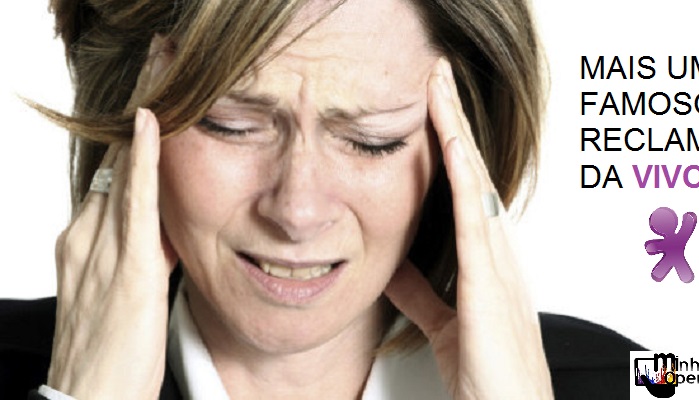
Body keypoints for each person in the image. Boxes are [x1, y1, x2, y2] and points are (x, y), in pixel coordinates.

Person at [0, 0, 644, 398]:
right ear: (128, 114)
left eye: (370, 141)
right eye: (231, 125)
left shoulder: (637, 378)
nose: (297, 211)